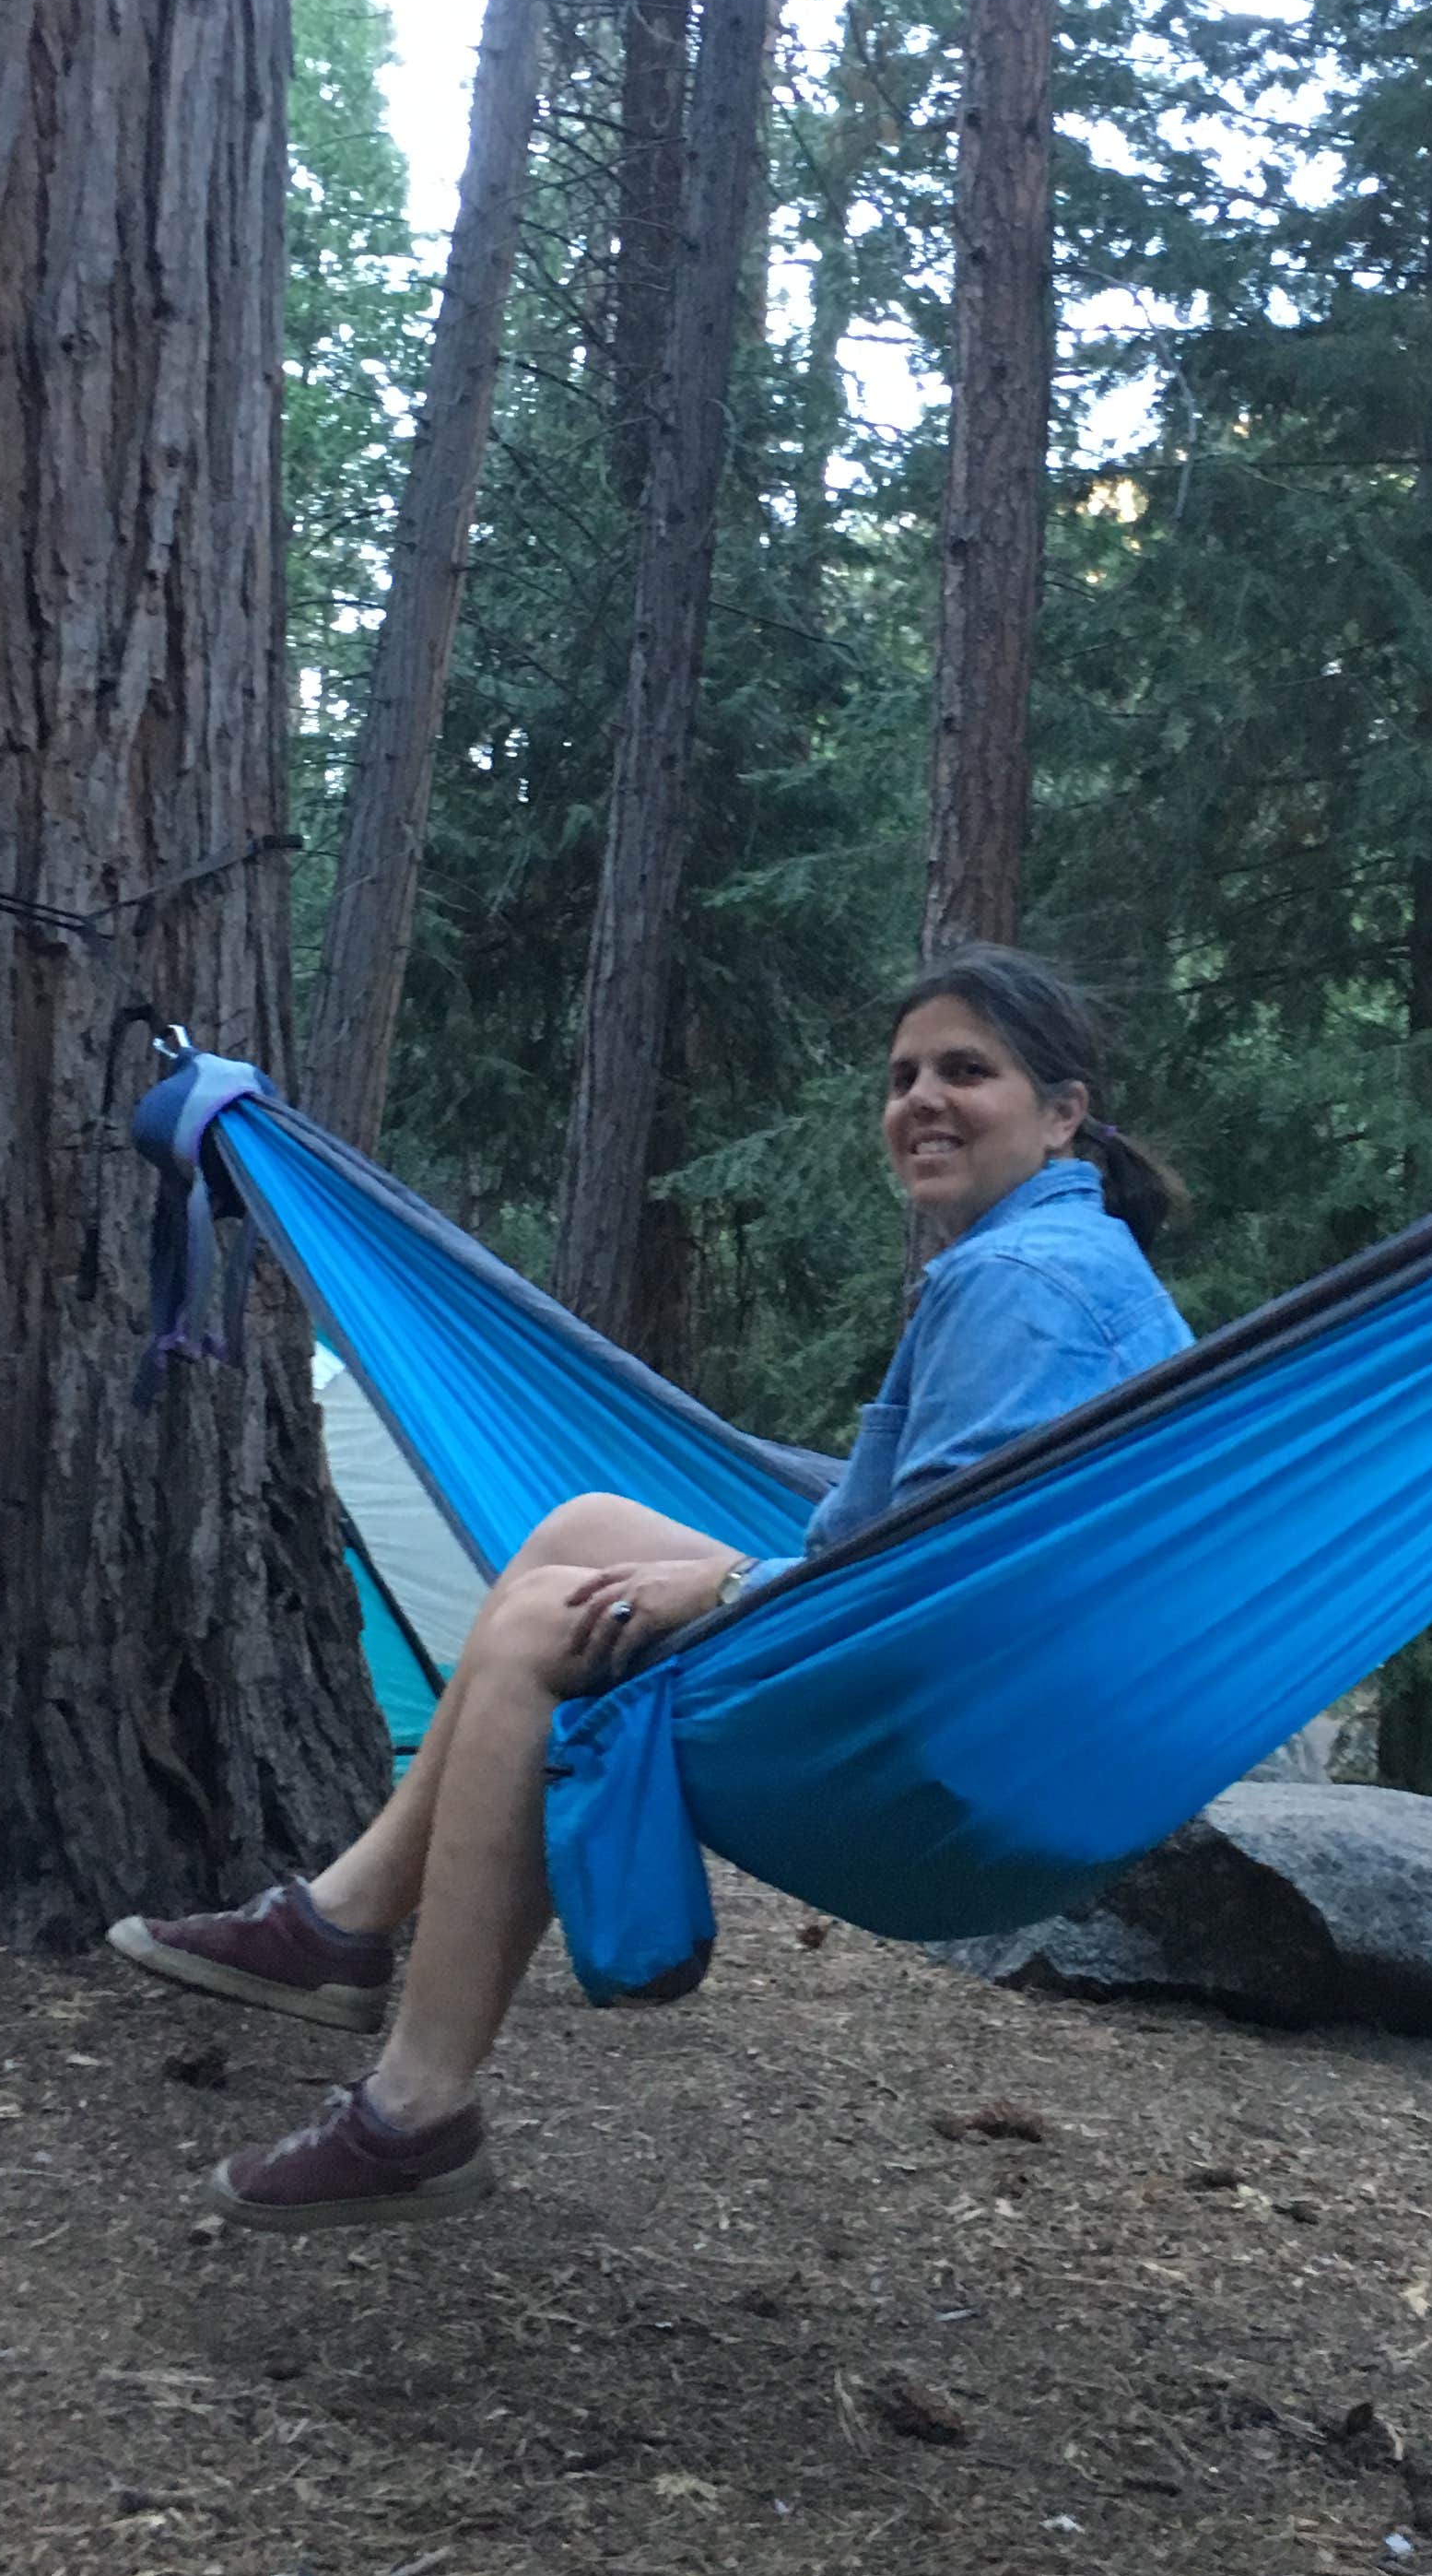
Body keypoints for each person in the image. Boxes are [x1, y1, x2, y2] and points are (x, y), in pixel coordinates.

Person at [108, 950, 1191, 2235]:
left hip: (961, 1739)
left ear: (1063, 1111)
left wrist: (727, 1580)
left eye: (968, 1071)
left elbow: (946, 1568)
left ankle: (415, 2112)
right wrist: (745, 1524)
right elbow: (942, 1507)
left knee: (533, 1634)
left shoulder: (1018, 1280)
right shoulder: (1056, 1252)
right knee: (579, 1528)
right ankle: (341, 1921)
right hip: (1014, 1694)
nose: (922, 1101)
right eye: (903, 1077)